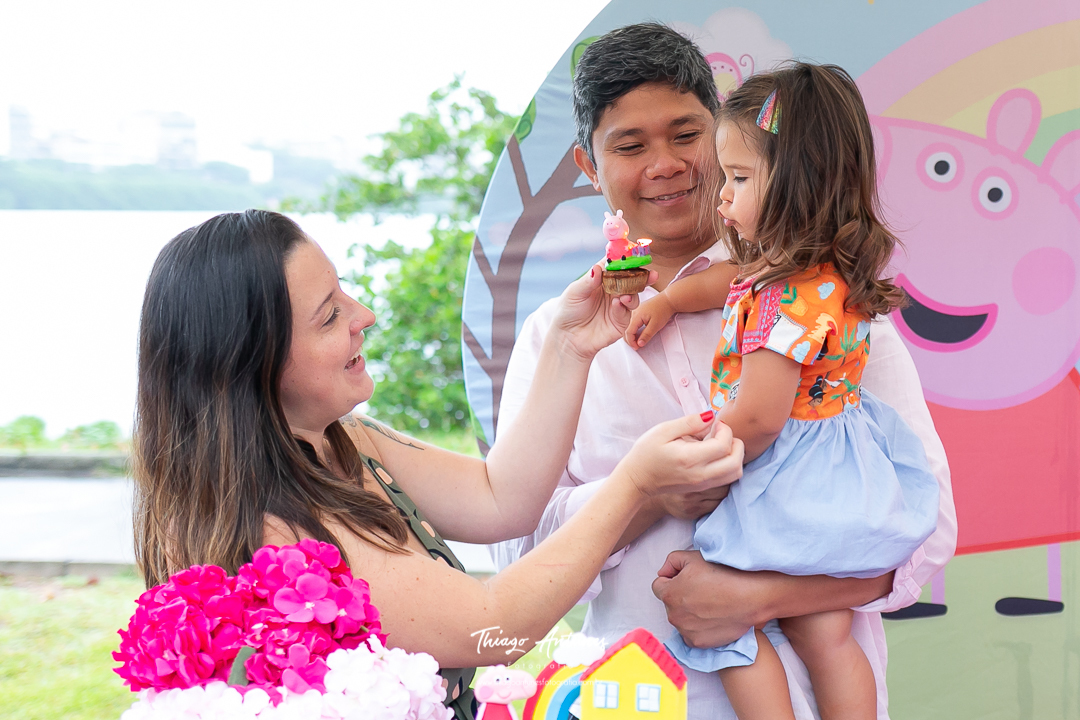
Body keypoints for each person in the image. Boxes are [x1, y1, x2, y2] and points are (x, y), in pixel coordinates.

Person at [490, 23, 957, 720]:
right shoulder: (557, 338)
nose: (667, 164)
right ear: (588, 166)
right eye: (629, 145)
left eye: (686, 135)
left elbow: (926, 535)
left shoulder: (836, 310)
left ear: (729, 137)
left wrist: (762, 597)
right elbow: (516, 562)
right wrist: (643, 494)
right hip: (637, 702)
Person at [132, 209, 745, 720]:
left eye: (343, 291)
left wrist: (568, 344)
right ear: (250, 362)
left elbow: (499, 496)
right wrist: (635, 485)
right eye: (329, 315)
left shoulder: (348, 441)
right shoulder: (277, 528)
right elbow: (490, 629)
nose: (363, 315)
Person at [628, 63, 939, 720]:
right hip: (840, 478)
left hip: (790, 479)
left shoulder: (783, 304)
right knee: (825, 633)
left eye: (738, 179)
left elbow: (763, 416)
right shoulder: (812, 275)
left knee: (723, 626)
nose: (721, 196)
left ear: (797, 184)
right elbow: (727, 282)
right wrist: (672, 300)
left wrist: (704, 453)